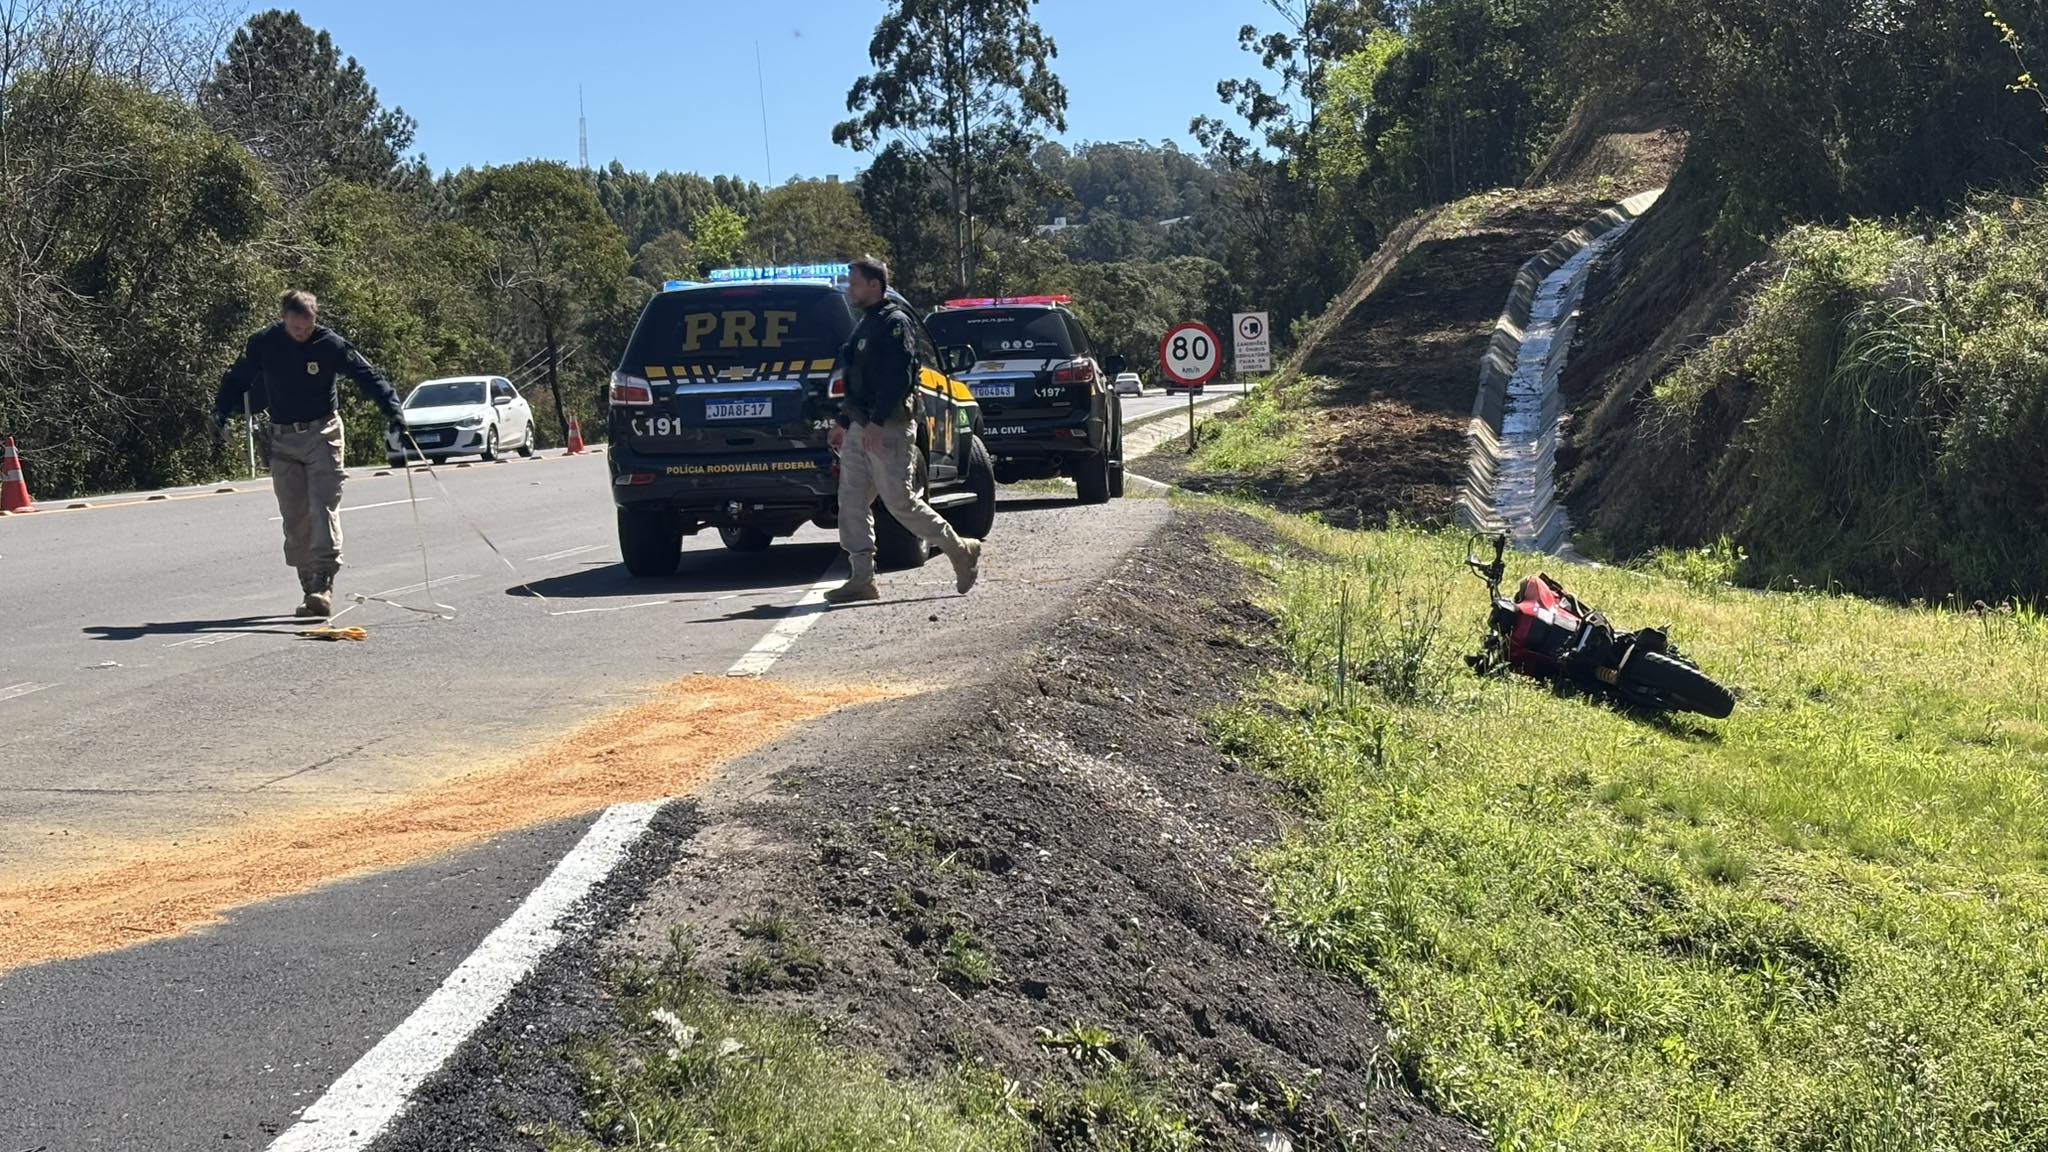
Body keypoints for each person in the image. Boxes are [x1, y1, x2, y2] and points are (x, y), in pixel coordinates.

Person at [212, 290, 405, 618]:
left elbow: (367, 375)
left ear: (314, 320)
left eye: (308, 326)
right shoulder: (264, 342)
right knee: (294, 515)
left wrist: (393, 410)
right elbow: (237, 377)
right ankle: (308, 584)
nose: (303, 333)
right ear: (284, 317)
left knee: (322, 505)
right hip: (282, 437)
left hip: (323, 432)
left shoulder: (329, 344)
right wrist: (220, 411)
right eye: (297, 327)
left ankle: (323, 582)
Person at [824, 256, 981, 604]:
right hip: (860, 428)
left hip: (888, 428)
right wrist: (844, 422)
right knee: (851, 500)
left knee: (900, 502)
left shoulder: (896, 323)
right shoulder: (864, 324)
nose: (851, 288)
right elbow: (856, 381)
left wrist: (878, 422)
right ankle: (862, 577)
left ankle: (960, 549)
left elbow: (899, 377)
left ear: (874, 285)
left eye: (855, 282)